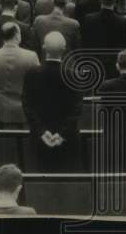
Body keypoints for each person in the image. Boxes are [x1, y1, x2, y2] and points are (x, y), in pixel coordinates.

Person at [23, 31, 82, 171]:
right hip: (67, 140)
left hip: (39, 138)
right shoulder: (72, 75)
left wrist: (42, 132)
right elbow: (77, 109)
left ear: (44, 47)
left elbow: (27, 105)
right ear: (64, 48)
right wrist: (62, 134)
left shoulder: (32, 74)